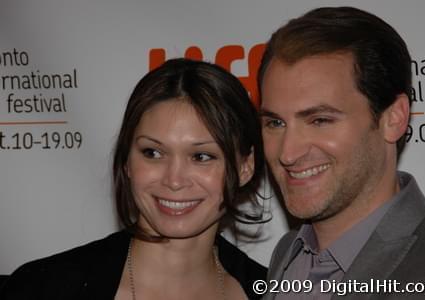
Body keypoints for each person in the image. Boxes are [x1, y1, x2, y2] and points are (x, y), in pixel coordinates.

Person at [0, 58, 267, 299]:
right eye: (152, 152)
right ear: (127, 161)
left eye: (201, 156)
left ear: (245, 167)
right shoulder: (42, 287)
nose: (174, 180)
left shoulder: (275, 291)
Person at [258, 6, 425, 299]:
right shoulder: (287, 255)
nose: (288, 152)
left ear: (393, 119)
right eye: (275, 122)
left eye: (320, 120)